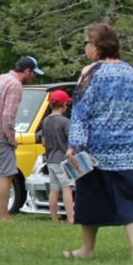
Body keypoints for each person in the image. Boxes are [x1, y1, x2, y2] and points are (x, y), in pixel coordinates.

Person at [63, 23, 133, 261]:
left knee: (90, 199)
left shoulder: (90, 73)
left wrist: (74, 145)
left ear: (97, 46)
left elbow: (81, 112)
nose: (85, 48)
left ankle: (87, 249)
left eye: (86, 43)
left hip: (98, 151)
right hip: (132, 150)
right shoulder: (132, 72)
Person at [0, 56, 43, 222]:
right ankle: (4, 215)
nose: (34, 77)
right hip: (0, 135)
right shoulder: (15, 85)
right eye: (34, 74)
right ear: (27, 71)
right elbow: (8, 116)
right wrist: (12, 139)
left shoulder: (0, 79)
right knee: (6, 175)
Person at [37, 89, 74, 224]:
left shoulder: (45, 121)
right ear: (63, 105)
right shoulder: (65, 121)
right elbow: (72, 140)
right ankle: (71, 218)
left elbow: (43, 142)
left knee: (54, 189)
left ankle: (54, 219)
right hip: (62, 160)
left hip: (50, 159)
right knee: (67, 188)